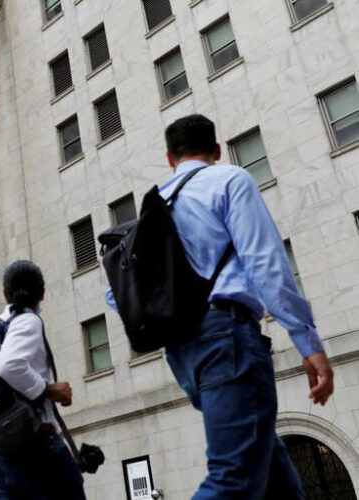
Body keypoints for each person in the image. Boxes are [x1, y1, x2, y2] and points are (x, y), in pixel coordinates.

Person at [105, 114, 334, 499]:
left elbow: (115, 295)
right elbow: (266, 264)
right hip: (226, 338)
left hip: (183, 353)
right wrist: (308, 343)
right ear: (216, 149)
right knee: (233, 480)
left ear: (169, 157)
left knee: (274, 479)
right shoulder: (229, 180)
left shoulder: (152, 210)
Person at [0, 260, 86, 500]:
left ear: (4, 293)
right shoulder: (27, 321)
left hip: (0, 452)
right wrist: (49, 390)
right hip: (36, 439)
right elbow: (9, 366)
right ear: (42, 293)